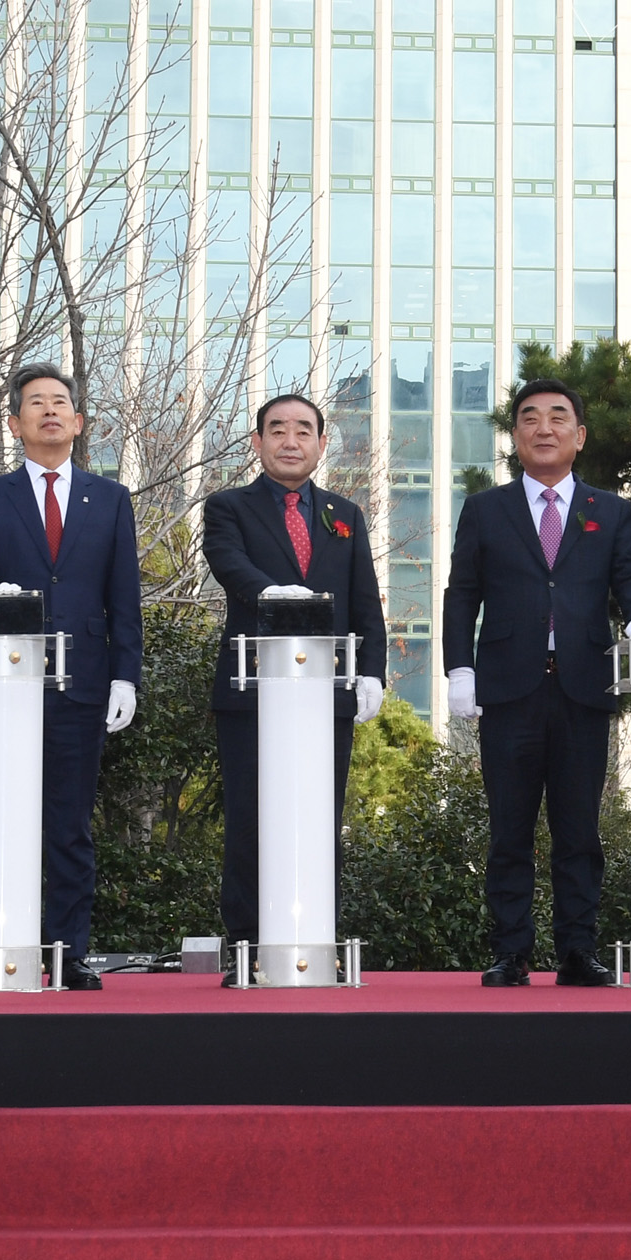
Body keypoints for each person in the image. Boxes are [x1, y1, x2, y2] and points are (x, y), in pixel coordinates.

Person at [443, 378, 631, 987]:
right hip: (508, 689)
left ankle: (578, 951)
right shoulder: (485, 508)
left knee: (580, 829)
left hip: (584, 688)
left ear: (579, 436)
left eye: (559, 417)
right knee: (510, 828)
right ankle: (512, 950)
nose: (545, 428)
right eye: (530, 417)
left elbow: (628, 580)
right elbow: (462, 595)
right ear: (517, 435)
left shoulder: (609, 510)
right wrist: (460, 669)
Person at [0, 364, 144, 991]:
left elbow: (125, 596)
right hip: (5, 686)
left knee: (69, 824)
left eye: (61, 402)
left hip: (82, 683)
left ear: (79, 422)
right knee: (2, 818)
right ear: (15, 423)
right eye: (36, 403)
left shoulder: (110, 499)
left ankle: (70, 953)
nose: (50, 411)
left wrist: (126, 676)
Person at [201, 393, 388, 953]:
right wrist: (269, 593)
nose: (290, 440)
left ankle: (315, 934)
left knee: (318, 818)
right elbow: (228, 563)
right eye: (277, 430)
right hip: (252, 689)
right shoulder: (228, 506)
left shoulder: (344, 515)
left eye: (303, 430)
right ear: (257, 442)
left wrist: (372, 672)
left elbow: (364, 602)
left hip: (326, 692)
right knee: (250, 818)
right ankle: (247, 941)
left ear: (321, 443)